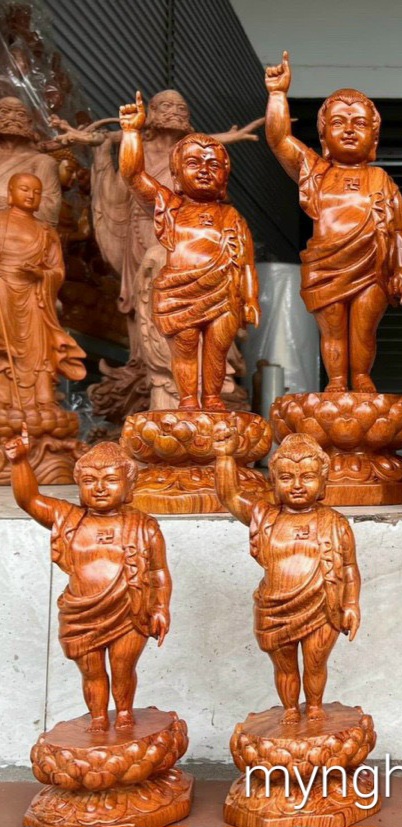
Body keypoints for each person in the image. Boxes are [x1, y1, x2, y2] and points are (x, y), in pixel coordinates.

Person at [4, 435, 171, 732]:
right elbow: (29, 500)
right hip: (80, 613)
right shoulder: (69, 518)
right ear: (79, 486)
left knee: (122, 666)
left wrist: (160, 608)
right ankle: (98, 718)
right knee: (91, 671)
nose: (100, 487)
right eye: (90, 480)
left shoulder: (144, 526)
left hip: (130, 610)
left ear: (130, 486)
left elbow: (158, 572)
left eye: (111, 480)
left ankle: (124, 713)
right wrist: (19, 462)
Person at [265, 51, 402, 393]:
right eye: (338, 123)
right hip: (327, 266)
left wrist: (401, 269)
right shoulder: (316, 172)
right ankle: (337, 382)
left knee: (363, 328)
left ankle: (361, 378)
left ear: (374, 138)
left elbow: (399, 232)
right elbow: (279, 140)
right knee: (332, 329)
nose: (348, 130)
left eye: (359, 123)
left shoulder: (382, 180)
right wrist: (277, 95)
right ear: (323, 137)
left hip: (372, 267)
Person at [118, 91, 259, 411]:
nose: (204, 170)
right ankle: (187, 401)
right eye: (194, 163)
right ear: (176, 176)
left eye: (214, 165)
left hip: (224, 294)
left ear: (225, 177)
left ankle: (212, 399)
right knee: (184, 346)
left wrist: (250, 299)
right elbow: (133, 176)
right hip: (179, 291)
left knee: (217, 348)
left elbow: (246, 262)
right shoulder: (170, 205)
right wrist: (130, 133)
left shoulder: (231, 217)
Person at [215, 428, 361, 724]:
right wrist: (224, 456)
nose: (296, 486)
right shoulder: (265, 517)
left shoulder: (334, 522)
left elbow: (348, 568)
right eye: (286, 477)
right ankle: (291, 710)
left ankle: (316, 708)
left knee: (316, 663)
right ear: (273, 481)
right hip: (274, 608)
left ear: (323, 482)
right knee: (284, 667)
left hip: (323, 605)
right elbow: (230, 495)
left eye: (307, 477)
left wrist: (351, 604)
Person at [0, 172, 86, 408]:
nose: (31, 195)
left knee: (38, 349)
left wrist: (42, 275)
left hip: (33, 296)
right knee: (5, 349)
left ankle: (42, 398)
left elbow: (57, 270)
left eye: (37, 192)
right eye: (25, 189)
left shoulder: (47, 232)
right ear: (10, 193)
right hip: (3, 292)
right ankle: (4, 397)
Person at [0, 96, 59, 225]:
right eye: (4, 112)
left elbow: (50, 210)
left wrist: (7, 204)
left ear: (30, 123)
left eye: (20, 114)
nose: (12, 118)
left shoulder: (42, 162)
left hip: (15, 231)